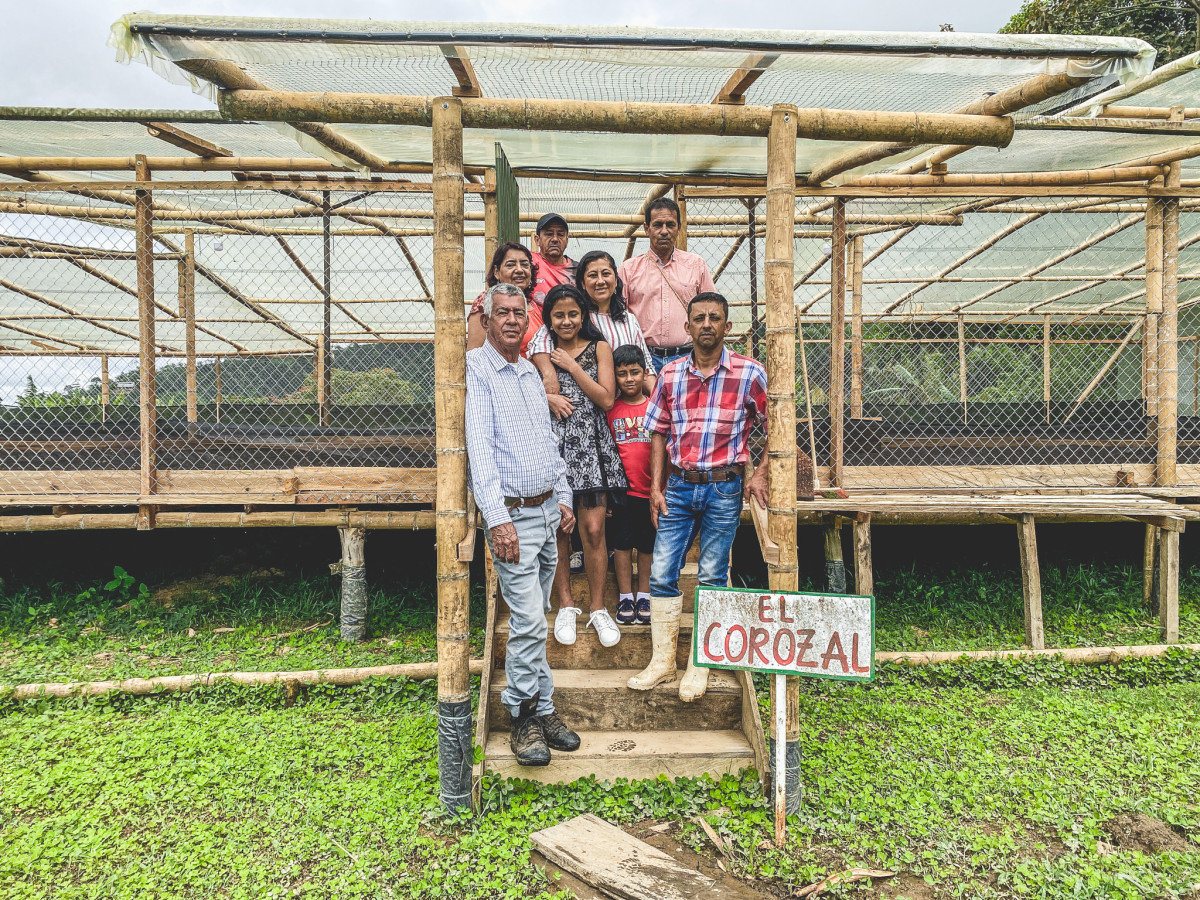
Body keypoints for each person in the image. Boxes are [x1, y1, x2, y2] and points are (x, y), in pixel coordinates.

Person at [627, 292, 769, 703]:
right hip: (680, 485)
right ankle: (662, 661)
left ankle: (700, 662)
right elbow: (658, 432)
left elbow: (774, 425)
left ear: (727, 327)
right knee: (661, 573)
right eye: (699, 318)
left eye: (715, 318)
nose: (707, 324)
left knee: (711, 575)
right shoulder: (669, 374)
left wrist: (759, 473)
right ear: (687, 328)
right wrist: (655, 488)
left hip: (725, 486)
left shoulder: (749, 373)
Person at [465, 282, 581, 767]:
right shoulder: (477, 370)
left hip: (546, 508)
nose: (512, 319)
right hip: (512, 514)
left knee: (540, 619)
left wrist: (565, 496)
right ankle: (521, 716)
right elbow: (480, 451)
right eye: (503, 313)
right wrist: (497, 520)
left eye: (519, 312)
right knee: (529, 620)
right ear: (487, 320)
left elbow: (547, 442)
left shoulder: (532, 374)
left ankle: (545, 707)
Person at [540, 284, 628, 651]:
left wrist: (573, 366)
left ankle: (597, 607)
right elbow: (530, 392)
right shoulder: (542, 353)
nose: (566, 321)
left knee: (593, 530)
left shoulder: (600, 348)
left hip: (591, 447)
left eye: (572, 314)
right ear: (549, 318)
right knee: (561, 527)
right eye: (558, 315)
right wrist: (548, 391)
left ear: (583, 316)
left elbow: (607, 398)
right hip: (555, 447)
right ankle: (566, 605)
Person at [529, 250, 656, 416]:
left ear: (615, 280)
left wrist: (658, 399)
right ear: (582, 282)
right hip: (584, 409)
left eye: (606, 274)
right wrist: (549, 374)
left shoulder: (628, 320)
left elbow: (645, 363)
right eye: (592, 275)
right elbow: (540, 343)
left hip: (623, 410)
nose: (600, 281)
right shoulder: (576, 317)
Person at [618, 197, 716, 373]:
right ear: (646, 229)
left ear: (679, 228)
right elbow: (618, 316)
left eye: (670, 225)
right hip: (644, 359)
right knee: (649, 401)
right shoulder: (628, 269)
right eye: (658, 225)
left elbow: (712, 309)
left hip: (687, 356)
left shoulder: (696, 265)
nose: (664, 231)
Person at [606, 344, 655, 627]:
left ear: (644, 373)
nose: (629, 379)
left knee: (646, 547)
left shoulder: (654, 409)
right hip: (622, 493)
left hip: (649, 492)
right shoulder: (612, 411)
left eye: (634, 372)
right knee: (622, 545)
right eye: (622, 374)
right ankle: (626, 596)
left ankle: (644, 595)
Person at [466, 242, 540, 356]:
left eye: (525, 265)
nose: (519, 270)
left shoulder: (534, 306)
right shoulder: (486, 301)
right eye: (510, 265)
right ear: (496, 272)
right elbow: (474, 353)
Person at [530, 212, 576, 305]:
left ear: (566, 241)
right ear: (537, 240)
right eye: (549, 234)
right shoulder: (528, 262)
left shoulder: (577, 270)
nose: (555, 239)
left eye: (560, 234)